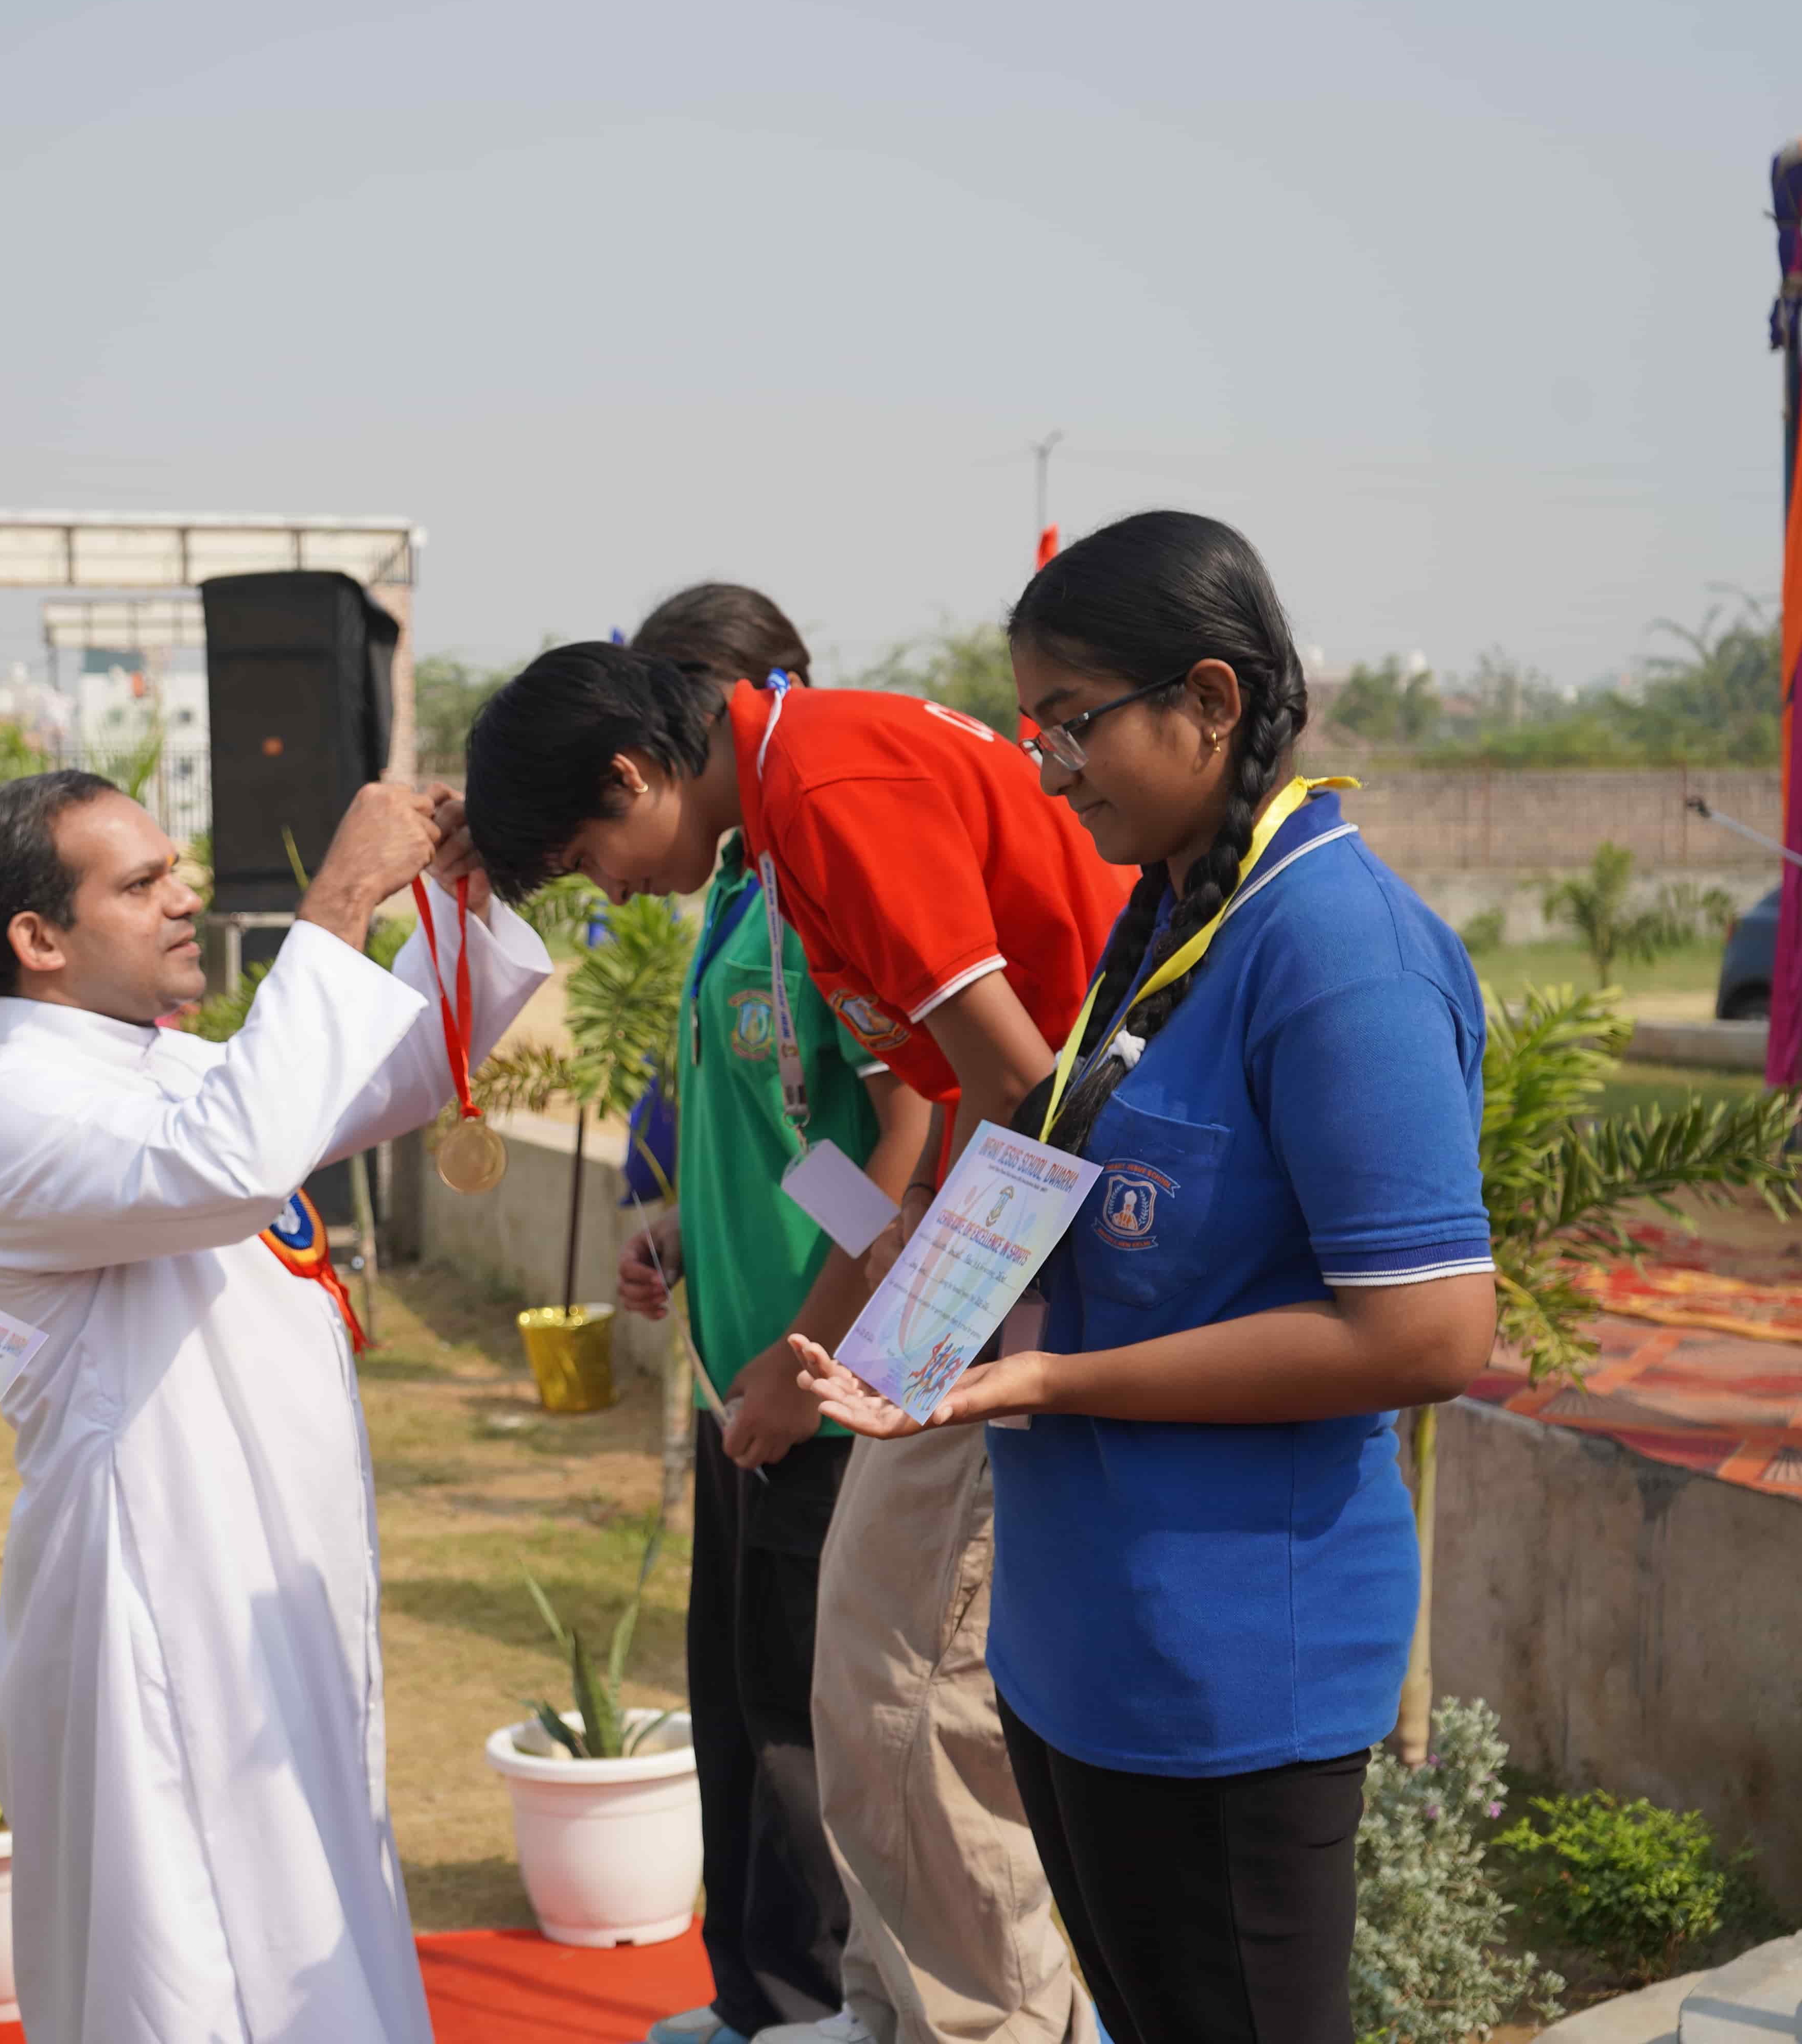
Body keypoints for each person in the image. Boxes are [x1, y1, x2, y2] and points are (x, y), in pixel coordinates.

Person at [798, 512, 1496, 2043]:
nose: (1047, 771)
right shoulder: (1166, 911)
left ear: (1209, 698)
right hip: (1077, 1637)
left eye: (1071, 725)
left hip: (1227, 1660)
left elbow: (1429, 1329)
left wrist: (1055, 1377)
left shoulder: (1334, 950)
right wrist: (909, 1319)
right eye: (1030, 727)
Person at [466, 640, 1129, 2044]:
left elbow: (1013, 1084)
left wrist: (907, 1348)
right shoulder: (778, 825)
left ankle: (987, 2029)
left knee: (912, 1696)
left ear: (636, 772)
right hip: (950, 1280)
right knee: (858, 1670)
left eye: (592, 853)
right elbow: (952, 1096)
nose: (615, 888)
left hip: (1034, 1278)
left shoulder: (829, 786)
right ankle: (888, 2011)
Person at [0, 769, 548, 2043]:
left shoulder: (170, 1067)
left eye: (177, 869)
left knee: (307, 1915)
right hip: (158, 1592)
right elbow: (236, 1159)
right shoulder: (11, 1111)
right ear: (38, 940)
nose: (185, 897)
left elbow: (396, 1075)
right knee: (196, 1955)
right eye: (142, 882)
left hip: (262, 1565)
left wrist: (452, 893)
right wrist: (334, 901)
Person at [605, 588, 935, 2044]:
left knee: (810, 1731)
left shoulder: (825, 876)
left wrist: (811, 1360)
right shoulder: (742, 889)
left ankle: (812, 2009)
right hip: (735, 1374)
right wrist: (688, 1226)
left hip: (809, 1378)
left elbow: (909, 1134)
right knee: (733, 1707)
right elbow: (775, 1123)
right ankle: (746, 1998)